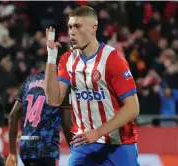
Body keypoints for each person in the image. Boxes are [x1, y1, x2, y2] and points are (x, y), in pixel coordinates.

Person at [44, 6, 140, 166]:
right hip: (83, 144)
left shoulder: (113, 60)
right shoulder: (67, 59)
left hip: (119, 144)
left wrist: (98, 132)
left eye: (78, 26)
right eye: (70, 27)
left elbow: (133, 108)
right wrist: (51, 56)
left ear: (93, 28)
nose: (72, 32)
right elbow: (54, 100)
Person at [6, 62, 73, 166]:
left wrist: (12, 152)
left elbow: (13, 115)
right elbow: (67, 124)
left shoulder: (29, 82)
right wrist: (75, 150)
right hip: (46, 149)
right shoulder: (61, 85)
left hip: (25, 148)